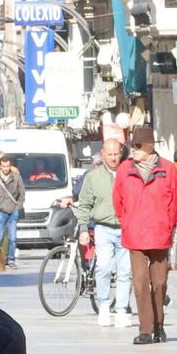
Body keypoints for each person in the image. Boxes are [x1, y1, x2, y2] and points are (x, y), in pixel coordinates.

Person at [115, 127, 177, 344]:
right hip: (134, 234)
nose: (133, 150)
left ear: (149, 147)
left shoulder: (169, 170)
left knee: (160, 283)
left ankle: (159, 325)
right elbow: (118, 199)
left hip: (159, 233)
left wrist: (169, 225)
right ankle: (145, 329)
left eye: (137, 146)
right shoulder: (124, 170)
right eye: (131, 146)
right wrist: (124, 221)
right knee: (140, 282)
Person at [76, 139, 134, 327]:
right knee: (103, 267)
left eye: (116, 153)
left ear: (121, 153)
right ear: (103, 154)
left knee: (125, 271)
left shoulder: (129, 174)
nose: (113, 158)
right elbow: (84, 204)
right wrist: (84, 228)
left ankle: (122, 310)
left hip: (125, 228)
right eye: (109, 154)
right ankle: (103, 306)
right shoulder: (93, 177)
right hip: (103, 227)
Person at [0, 151, 25, 263]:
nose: (6, 168)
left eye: (7, 166)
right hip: (1, 212)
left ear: (10, 165)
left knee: (13, 238)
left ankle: (11, 259)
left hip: (13, 211)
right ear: (0, 165)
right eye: (3, 166)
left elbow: (22, 193)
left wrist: (18, 206)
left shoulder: (16, 177)